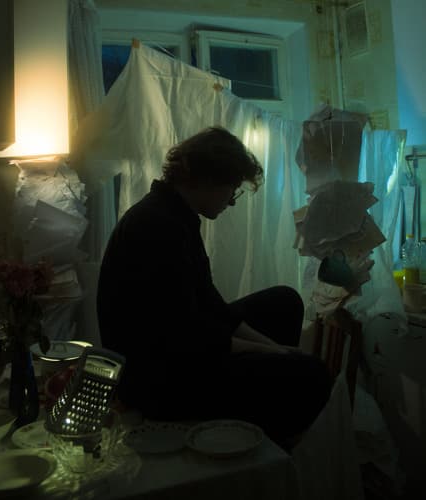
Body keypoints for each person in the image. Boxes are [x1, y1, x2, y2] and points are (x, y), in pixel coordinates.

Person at [97, 126, 331, 450]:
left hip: (181, 346)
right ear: (206, 180)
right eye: (231, 190)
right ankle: (267, 439)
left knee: (284, 301)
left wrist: (275, 349)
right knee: (313, 375)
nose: (231, 202)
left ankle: (268, 402)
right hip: (158, 380)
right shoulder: (156, 226)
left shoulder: (174, 214)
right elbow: (189, 336)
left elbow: (211, 306)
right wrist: (273, 352)